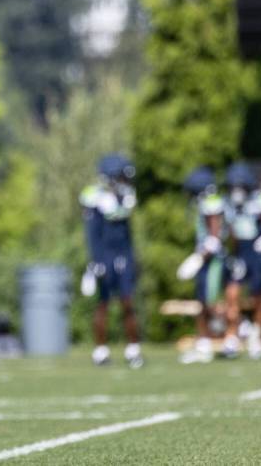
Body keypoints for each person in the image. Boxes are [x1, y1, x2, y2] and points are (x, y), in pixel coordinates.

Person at [79, 154, 143, 369]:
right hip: (104, 255)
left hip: (123, 254)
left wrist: (133, 258)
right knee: (103, 303)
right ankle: (100, 350)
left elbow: (127, 232)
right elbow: (92, 232)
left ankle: (133, 349)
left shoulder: (125, 196)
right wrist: (94, 262)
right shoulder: (94, 197)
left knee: (127, 301)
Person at [221, 162, 261, 360]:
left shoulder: (259, 200)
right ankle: (232, 336)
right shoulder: (227, 202)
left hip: (255, 251)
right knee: (231, 295)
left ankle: (257, 337)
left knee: (258, 298)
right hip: (239, 252)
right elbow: (229, 231)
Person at [177, 166, 226, 365]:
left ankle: (241, 329)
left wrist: (198, 259)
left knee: (209, 302)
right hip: (207, 259)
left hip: (211, 260)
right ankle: (204, 344)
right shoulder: (208, 202)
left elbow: (214, 238)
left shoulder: (211, 203)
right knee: (203, 302)